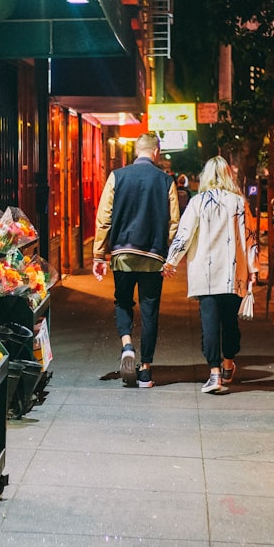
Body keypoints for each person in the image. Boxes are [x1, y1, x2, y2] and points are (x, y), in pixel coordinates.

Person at [163, 156, 259, 394]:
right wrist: (254, 269)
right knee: (229, 321)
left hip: (205, 275)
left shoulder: (198, 203)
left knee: (209, 323)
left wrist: (171, 262)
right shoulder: (239, 203)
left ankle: (214, 373)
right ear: (229, 176)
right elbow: (250, 239)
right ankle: (228, 364)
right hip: (234, 272)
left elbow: (184, 235)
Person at [93, 133, 181, 388]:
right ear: (156, 153)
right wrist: (170, 256)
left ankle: (127, 344)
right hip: (153, 256)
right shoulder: (166, 181)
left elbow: (104, 217)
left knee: (122, 301)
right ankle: (145, 371)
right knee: (150, 309)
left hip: (122, 253)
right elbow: (174, 223)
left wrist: (99, 254)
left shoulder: (117, 176)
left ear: (137, 152)